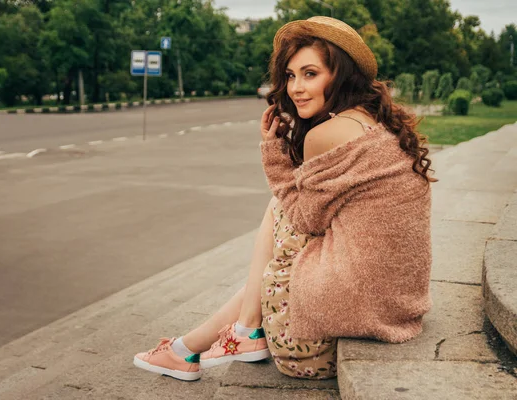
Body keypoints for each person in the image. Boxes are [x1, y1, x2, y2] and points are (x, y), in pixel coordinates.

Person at [133, 16, 435, 382]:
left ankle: (216, 339)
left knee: (281, 209)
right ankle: (204, 342)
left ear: (341, 76)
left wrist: (272, 153)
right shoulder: (372, 122)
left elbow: (303, 219)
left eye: (310, 74)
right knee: (283, 209)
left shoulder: (328, 134)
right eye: (291, 75)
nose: (296, 88)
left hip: (311, 346)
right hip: (394, 308)